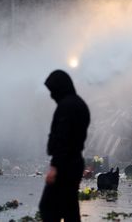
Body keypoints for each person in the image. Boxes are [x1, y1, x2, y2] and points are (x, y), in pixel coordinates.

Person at [39, 70, 90, 222]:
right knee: (70, 210)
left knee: (47, 207)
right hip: (74, 163)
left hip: (65, 165)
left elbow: (64, 140)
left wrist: (55, 167)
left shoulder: (66, 107)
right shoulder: (79, 104)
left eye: (53, 90)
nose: (51, 95)